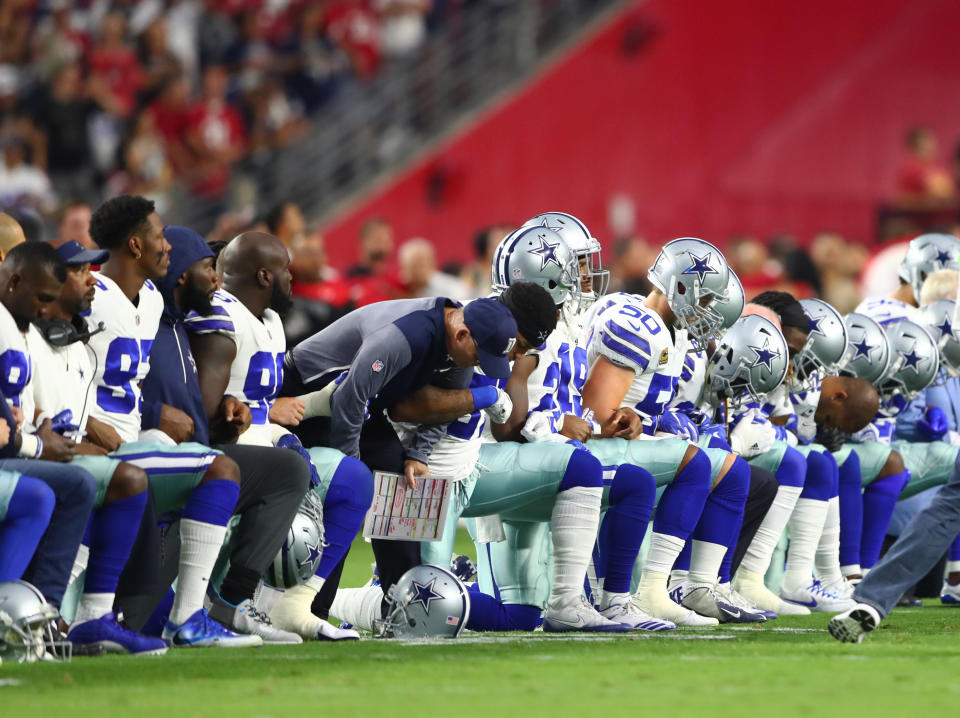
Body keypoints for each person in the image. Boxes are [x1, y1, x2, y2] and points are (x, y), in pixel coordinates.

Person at [282, 278, 558, 613]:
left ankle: (404, 608)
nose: (479, 364)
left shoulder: (464, 339)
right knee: (344, 491)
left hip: (362, 405)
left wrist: (417, 454)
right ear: (460, 336)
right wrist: (352, 467)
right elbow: (348, 396)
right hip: (306, 394)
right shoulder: (404, 336)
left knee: (402, 487)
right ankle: (312, 610)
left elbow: (448, 403)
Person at [86, 194, 259, 648]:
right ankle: (187, 618)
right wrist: (87, 422)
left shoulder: (149, 301)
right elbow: (56, 366)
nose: (168, 246)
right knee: (220, 469)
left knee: (200, 457)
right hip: (94, 445)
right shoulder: (90, 297)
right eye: (160, 237)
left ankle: (175, 610)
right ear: (135, 246)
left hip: (131, 444)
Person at [185, 230, 370, 641]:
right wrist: (271, 414)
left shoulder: (269, 321)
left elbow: (262, 398)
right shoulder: (219, 316)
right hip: (224, 451)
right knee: (287, 490)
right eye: (286, 269)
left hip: (267, 445)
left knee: (351, 479)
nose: (293, 277)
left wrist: (325, 399)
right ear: (265, 275)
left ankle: (293, 605)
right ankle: (225, 601)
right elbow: (201, 406)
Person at [26, 239, 167, 656]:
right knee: (121, 476)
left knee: (116, 476)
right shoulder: (28, 343)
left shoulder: (83, 352)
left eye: (93, 272)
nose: (93, 282)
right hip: (30, 456)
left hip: (63, 458)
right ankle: (58, 612)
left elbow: (76, 429)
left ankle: (93, 615)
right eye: (81, 273)